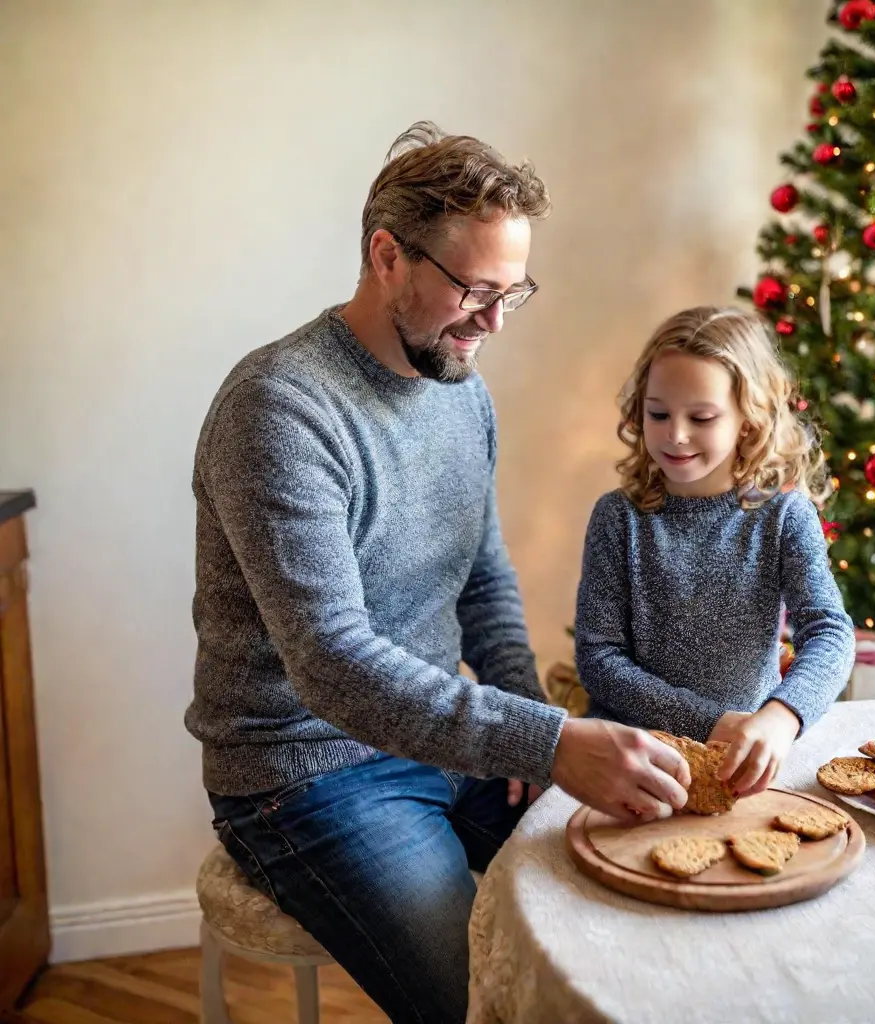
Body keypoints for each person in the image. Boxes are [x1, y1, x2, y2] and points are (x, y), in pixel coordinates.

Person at [185, 122, 691, 1024]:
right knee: (491, 1002)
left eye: (514, 294)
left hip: (441, 739)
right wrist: (543, 741)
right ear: (388, 256)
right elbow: (331, 662)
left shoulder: (462, 389)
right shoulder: (278, 410)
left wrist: (526, 725)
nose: (494, 325)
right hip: (303, 771)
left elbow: (483, 577)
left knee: (630, 916)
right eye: (474, 292)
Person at [574, 306, 855, 799]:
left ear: (749, 421)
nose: (674, 434)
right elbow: (599, 658)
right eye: (658, 413)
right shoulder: (618, 518)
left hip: (743, 762)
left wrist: (782, 716)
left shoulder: (783, 515)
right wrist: (712, 722)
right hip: (634, 756)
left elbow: (830, 632)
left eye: (701, 417)